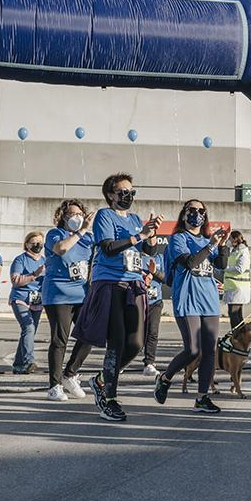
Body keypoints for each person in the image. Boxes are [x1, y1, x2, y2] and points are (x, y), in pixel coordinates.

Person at [81, 172, 160, 422]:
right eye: (123, 191)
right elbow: (108, 247)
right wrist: (140, 236)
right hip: (111, 282)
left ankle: (101, 379)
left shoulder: (136, 219)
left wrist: (152, 234)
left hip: (134, 283)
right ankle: (109, 398)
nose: (128, 195)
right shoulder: (105, 216)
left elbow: (148, 249)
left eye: (131, 191)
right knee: (116, 342)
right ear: (111, 195)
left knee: (136, 342)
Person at [154, 199, 229, 412]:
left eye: (201, 211)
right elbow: (190, 262)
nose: (196, 214)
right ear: (184, 214)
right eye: (192, 210)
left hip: (209, 301)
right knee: (193, 349)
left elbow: (221, 265)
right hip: (188, 299)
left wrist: (221, 246)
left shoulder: (207, 240)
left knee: (209, 351)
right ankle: (165, 377)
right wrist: (212, 245)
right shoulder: (179, 238)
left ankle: (202, 397)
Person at [42, 199, 94, 402]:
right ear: (62, 217)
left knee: (90, 334)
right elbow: (61, 249)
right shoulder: (55, 234)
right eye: (71, 214)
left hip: (81, 293)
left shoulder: (89, 239)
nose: (76, 218)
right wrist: (80, 232)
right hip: (57, 294)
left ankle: (70, 374)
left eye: (79, 214)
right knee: (59, 339)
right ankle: (54, 386)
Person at [9, 231, 46, 374]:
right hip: (21, 298)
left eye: (40, 242)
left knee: (29, 332)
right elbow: (15, 280)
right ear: (27, 244)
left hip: (37, 300)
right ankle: (29, 361)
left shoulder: (44, 260)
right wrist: (34, 275)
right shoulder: (20, 260)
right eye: (34, 242)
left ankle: (18, 365)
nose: (38, 245)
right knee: (29, 328)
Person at [141, 243, 166, 376]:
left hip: (155, 301)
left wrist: (154, 273)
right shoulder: (136, 256)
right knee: (135, 334)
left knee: (153, 333)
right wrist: (143, 277)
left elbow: (167, 278)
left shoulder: (160, 257)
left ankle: (149, 363)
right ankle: (123, 360)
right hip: (138, 300)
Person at [222, 230, 251, 327]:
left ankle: (238, 337)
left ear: (235, 239)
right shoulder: (235, 251)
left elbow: (241, 269)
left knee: (235, 314)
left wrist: (225, 268)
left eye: (230, 238)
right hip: (233, 287)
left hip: (238, 288)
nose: (228, 241)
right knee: (235, 315)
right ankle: (239, 337)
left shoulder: (243, 251)